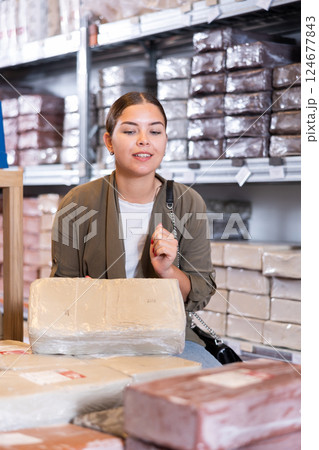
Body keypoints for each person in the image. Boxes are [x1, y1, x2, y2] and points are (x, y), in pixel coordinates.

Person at [51, 91, 220, 368]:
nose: (144, 140)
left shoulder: (187, 202)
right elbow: (59, 292)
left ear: (165, 141)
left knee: (214, 387)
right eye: (130, 131)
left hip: (169, 341)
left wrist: (167, 271)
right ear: (109, 141)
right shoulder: (79, 202)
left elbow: (200, 291)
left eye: (155, 131)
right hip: (93, 338)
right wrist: (86, 295)